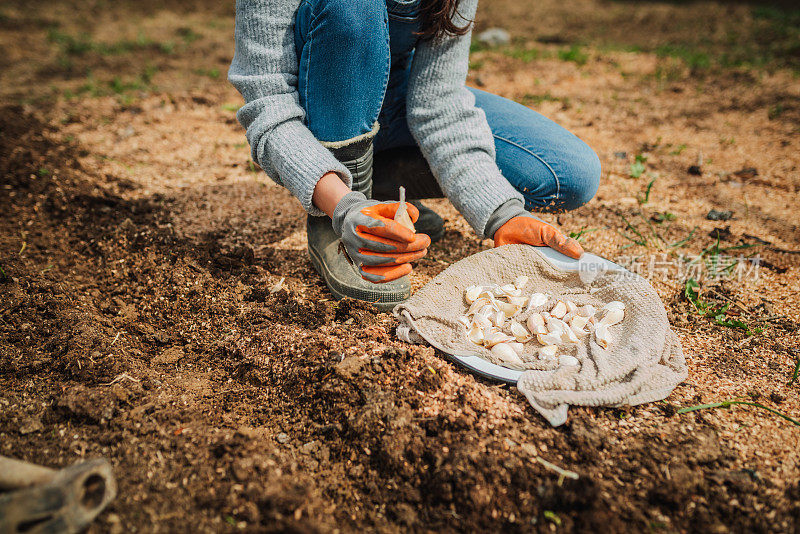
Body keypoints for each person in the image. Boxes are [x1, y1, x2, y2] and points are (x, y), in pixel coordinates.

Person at [229, 0, 601, 311]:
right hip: (323, 103)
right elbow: (268, 101)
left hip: (399, 99)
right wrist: (344, 207)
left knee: (568, 174)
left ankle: (377, 193)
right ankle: (340, 205)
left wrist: (502, 214)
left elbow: (438, 104)